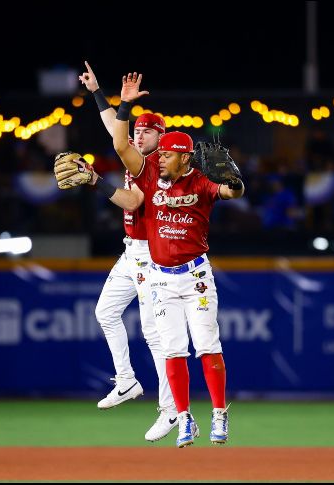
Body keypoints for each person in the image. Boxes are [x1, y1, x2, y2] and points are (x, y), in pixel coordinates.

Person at [111, 72, 245, 447]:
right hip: (159, 278)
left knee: (207, 345)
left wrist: (236, 181)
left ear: (184, 157)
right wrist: (124, 104)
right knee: (172, 350)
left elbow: (231, 192)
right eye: (161, 154)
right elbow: (121, 145)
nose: (160, 159)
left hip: (195, 276)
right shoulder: (149, 175)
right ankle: (185, 420)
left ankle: (219, 414)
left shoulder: (200, 181)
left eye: (167, 155)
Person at [77, 61, 176, 442]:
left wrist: (96, 181)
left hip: (152, 255)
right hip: (131, 251)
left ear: (160, 137)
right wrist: (97, 93)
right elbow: (115, 130)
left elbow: (133, 202)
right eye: (137, 129)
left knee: (154, 334)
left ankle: (170, 410)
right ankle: (126, 381)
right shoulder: (135, 153)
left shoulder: (156, 165)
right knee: (105, 312)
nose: (138, 134)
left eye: (147, 130)